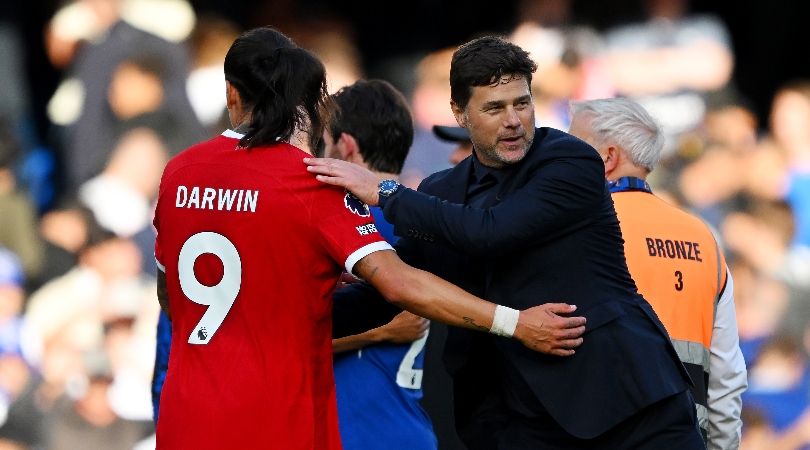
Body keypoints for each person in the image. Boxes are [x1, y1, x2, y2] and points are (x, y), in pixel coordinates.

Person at [153, 27, 586, 450]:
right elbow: (401, 285)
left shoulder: (179, 173)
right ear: (305, 103)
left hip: (188, 418)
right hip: (278, 419)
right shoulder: (311, 182)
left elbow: (172, 299)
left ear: (232, 94)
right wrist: (515, 323)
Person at [306, 35, 703, 448]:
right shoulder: (443, 191)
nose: (513, 119)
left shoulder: (570, 160)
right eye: (494, 107)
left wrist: (387, 192)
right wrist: (292, 317)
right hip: (520, 421)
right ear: (459, 113)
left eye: (522, 102)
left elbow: (490, 232)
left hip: (627, 407)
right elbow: (389, 291)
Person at [568, 97, 747, 449]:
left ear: (607, 157)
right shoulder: (704, 237)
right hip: (684, 435)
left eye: (573, 147)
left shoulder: (577, 229)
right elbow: (728, 374)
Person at [322, 78, 437, 449]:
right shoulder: (430, 223)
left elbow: (278, 342)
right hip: (410, 426)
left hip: (352, 430)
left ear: (347, 146)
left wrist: (376, 332)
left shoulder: (341, 225)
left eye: (322, 143)